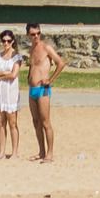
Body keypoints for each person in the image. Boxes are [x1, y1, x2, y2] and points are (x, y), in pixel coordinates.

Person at [26, 18, 62, 162]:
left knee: (46, 122)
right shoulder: (31, 49)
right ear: (28, 35)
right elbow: (32, 66)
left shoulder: (46, 48)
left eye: (38, 33)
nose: (36, 36)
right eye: (33, 34)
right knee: (36, 122)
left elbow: (61, 63)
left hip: (43, 89)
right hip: (32, 89)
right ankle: (41, 152)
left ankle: (50, 153)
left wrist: (50, 79)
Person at [0, 28, 24, 160]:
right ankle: (1, 152)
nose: (6, 43)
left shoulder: (17, 57)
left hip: (11, 93)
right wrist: (3, 73)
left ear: (12, 41)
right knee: (0, 122)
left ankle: (14, 152)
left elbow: (14, 74)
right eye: (3, 41)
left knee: (12, 122)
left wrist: (0, 75)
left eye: (8, 41)